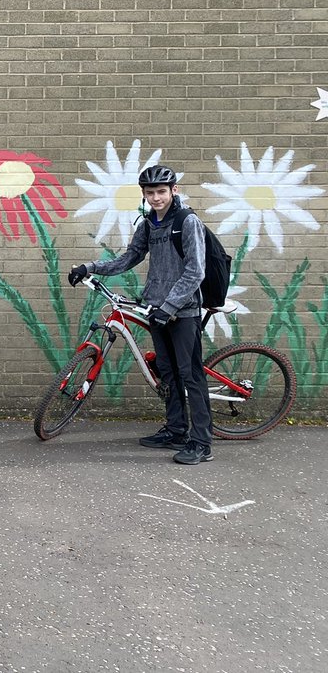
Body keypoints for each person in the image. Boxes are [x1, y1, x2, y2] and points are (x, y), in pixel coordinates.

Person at [68, 165, 211, 465]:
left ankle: (201, 443)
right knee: (168, 373)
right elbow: (128, 258)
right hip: (156, 310)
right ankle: (175, 431)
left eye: (161, 191)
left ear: (174, 191)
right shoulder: (148, 225)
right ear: (144, 195)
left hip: (182, 312)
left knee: (191, 375)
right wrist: (89, 268)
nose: (156, 197)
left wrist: (170, 306)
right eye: (150, 193)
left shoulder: (187, 221)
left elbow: (196, 270)